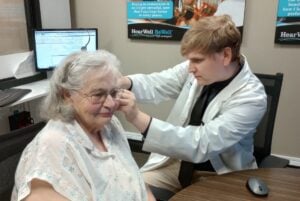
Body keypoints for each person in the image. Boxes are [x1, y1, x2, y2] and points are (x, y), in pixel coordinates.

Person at [118, 14, 267, 195]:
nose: (190, 68)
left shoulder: (252, 98)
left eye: (197, 60)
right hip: (177, 163)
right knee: (128, 191)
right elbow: (158, 83)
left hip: (217, 174)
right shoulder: (195, 70)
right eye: (189, 60)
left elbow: (201, 144)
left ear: (226, 55)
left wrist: (136, 117)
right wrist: (124, 82)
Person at [11, 50, 156, 201]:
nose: (111, 103)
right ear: (67, 95)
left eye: (113, 93)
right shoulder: (52, 145)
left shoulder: (111, 125)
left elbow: (135, 180)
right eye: (98, 95)